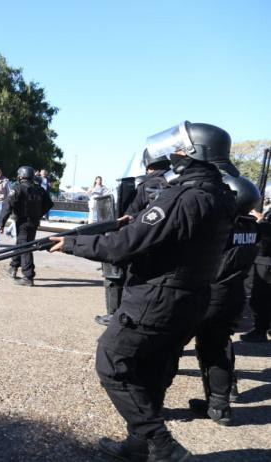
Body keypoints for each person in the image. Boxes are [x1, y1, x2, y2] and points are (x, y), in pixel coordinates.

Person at [49, 122, 237, 461]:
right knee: (153, 371)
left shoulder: (183, 197)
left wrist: (71, 243)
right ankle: (137, 447)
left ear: (197, 155)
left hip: (157, 299)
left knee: (112, 362)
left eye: (179, 150)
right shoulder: (222, 196)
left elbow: (124, 246)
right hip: (190, 300)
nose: (173, 156)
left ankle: (163, 447)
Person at [189, 175, 265, 425]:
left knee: (171, 346)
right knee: (219, 347)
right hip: (234, 294)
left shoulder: (220, 225)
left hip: (208, 293)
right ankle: (219, 406)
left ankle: (149, 409)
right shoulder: (253, 227)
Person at [95, 150, 171, 326]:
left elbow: (130, 214)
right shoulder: (176, 183)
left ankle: (117, 314)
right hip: (168, 242)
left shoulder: (146, 185)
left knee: (121, 277)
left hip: (142, 238)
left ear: (148, 163)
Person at [0, 166, 53, 286]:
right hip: (33, 222)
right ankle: (13, 267)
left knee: (25, 247)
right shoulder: (39, 189)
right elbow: (49, 204)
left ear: (21, 176)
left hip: (22, 222)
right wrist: (38, 214)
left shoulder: (17, 188)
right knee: (21, 244)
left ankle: (28, 276)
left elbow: (8, 206)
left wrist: (1, 223)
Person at [241, 207, 271, 342]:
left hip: (266, 261)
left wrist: (260, 222)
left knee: (261, 298)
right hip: (264, 259)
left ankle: (260, 330)